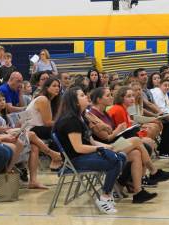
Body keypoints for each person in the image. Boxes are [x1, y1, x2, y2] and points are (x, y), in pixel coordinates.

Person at [54, 86, 126, 214]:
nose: (86, 96)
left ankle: (107, 194)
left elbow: (91, 141)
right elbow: (78, 148)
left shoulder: (81, 117)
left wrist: (106, 146)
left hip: (84, 155)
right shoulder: (70, 121)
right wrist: (100, 148)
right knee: (114, 161)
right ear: (75, 102)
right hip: (75, 160)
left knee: (122, 157)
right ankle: (104, 197)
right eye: (82, 95)